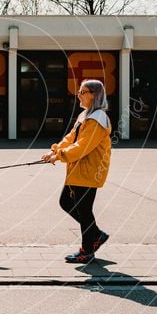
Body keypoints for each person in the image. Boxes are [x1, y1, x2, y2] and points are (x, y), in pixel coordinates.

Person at [41, 79, 112, 264]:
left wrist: (60, 155)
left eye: (83, 91)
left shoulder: (98, 119)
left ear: (94, 95)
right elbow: (71, 137)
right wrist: (54, 150)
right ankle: (95, 235)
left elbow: (82, 146)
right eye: (80, 91)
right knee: (66, 202)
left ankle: (87, 250)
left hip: (89, 171)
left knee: (84, 210)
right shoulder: (85, 115)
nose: (78, 95)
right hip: (77, 169)